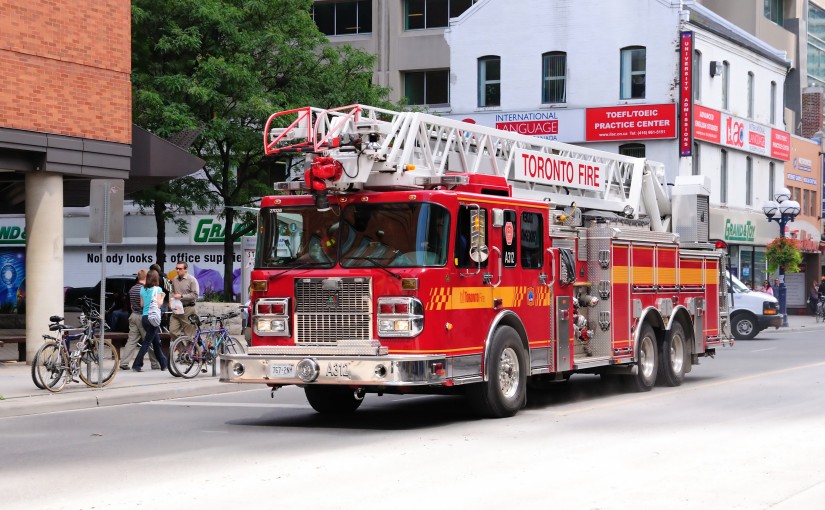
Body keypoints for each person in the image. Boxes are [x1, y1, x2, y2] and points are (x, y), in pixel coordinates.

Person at [119, 269, 161, 370]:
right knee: (149, 340)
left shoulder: (132, 289)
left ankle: (124, 362)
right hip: (143, 316)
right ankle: (155, 363)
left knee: (131, 340)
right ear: (147, 278)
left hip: (133, 316)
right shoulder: (145, 289)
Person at [133, 269, 168, 372]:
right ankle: (137, 364)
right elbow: (159, 304)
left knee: (156, 342)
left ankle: (163, 364)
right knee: (147, 342)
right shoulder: (158, 289)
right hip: (153, 318)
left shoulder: (142, 289)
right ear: (156, 278)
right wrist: (163, 296)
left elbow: (142, 305)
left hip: (144, 317)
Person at [170, 261, 199, 338]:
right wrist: (171, 300)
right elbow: (172, 291)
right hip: (177, 308)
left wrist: (182, 296)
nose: (177, 270)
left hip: (188, 309)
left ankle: (190, 349)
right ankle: (182, 349)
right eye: (176, 268)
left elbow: (195, 295)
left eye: (180, 269)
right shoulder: (174, 279)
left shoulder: (192, 280)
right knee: (172, 331)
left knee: (189, 335)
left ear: (186, 269)